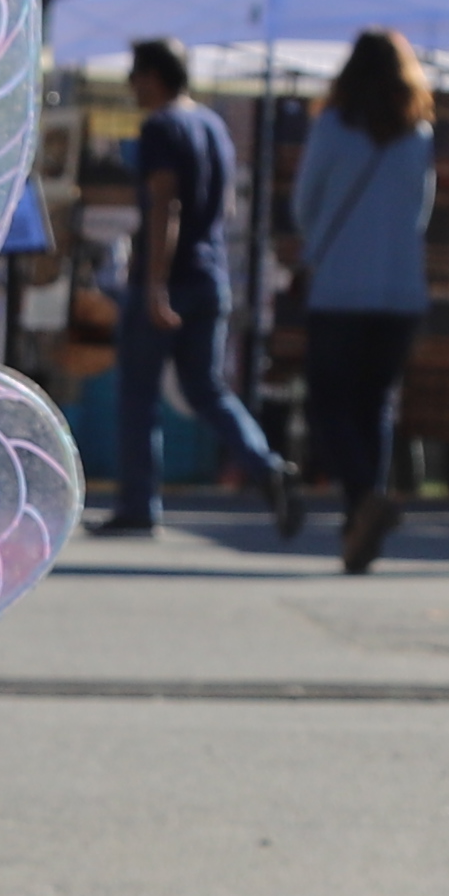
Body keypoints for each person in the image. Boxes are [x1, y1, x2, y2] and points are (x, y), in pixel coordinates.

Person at [92, 37, 271, 534]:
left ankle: (137, 506)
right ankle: (265, 465)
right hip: (210, 273)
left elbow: (164, 206)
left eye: (134, 75)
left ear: (153, 76)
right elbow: (225, 206)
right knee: (206, 388)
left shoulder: (161, 127)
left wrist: (153, 285)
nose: (130, 85)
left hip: (168, 278)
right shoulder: (213, 125)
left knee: (139, 394)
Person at [282, 25, 441, 572]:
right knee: (376, 403)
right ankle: (360, 517)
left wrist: (322, 238)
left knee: (328, 403)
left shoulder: (332, 126)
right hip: (400, 291)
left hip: (340, 286)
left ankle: (363, 501)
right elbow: (421, 214)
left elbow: (305, 204)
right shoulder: (419, 135)